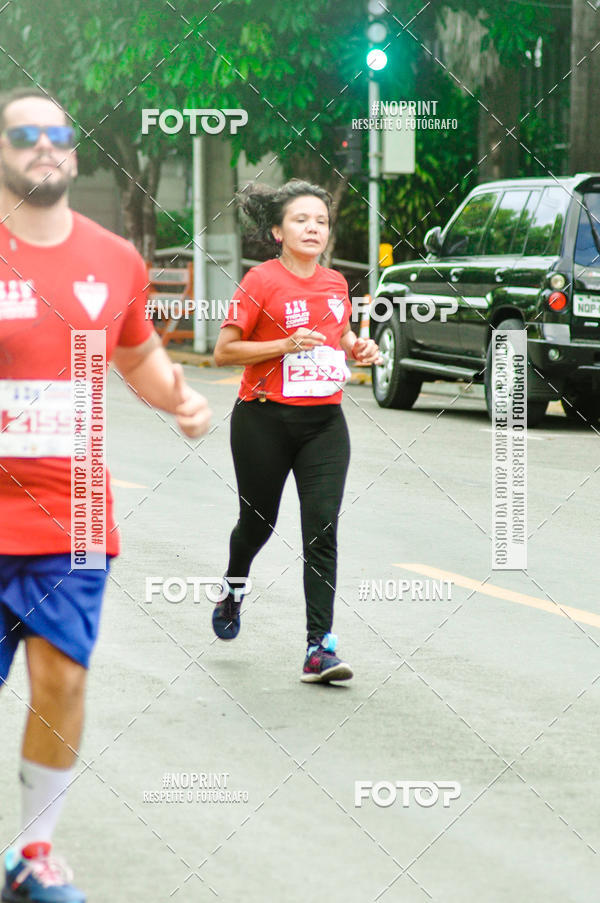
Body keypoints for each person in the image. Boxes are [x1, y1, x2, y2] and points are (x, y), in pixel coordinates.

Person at [0, 87, 211, 902]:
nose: (44, 146)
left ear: (75, 154)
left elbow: (137, 355)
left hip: (73, 514)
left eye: (58, 135)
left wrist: (179, 400)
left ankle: (34, 851)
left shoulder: (114, 257)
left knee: (65, 683)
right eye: (25, 134)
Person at [213, 179, 380, 683]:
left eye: (322, 221)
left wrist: (357, 348)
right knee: (257, 525)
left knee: (322, 528)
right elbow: (224, 351)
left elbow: (339, 332)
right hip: (263, 418)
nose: (313, 228)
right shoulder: (260, 281)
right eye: (301, 220)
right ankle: (235, 584)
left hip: (324, 422)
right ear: (277, 231)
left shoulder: (334, 284)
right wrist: (283, 346)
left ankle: (318, 647)